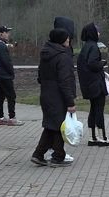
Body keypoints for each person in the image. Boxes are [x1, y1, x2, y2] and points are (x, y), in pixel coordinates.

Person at [31, 28, 77, 167]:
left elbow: (40, 77)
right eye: (67, 38)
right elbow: (65, 81)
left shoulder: (46, 54)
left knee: (51, 125)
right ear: (61, 40)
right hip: (58, 96)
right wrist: (70, 101)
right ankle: (58, 156)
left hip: (46, 93)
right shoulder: (63, 56)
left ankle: (39, 154)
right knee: (59, 126)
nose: (68, 40)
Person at [76, 23, 109, 145]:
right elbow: (93, 64)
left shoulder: (85, 47)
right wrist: (102, 63)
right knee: (99, 109)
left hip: (88, 85)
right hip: (96, 84)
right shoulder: (93, 47)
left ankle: (93, 136)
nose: (99, 33)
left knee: (93, 109)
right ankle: (102, 137)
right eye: (97, 31)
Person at [0, 26, 24, 125]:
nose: (8, 34)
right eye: (6, 32)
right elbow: (6, 61)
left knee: (0, 96)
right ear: (1, 34)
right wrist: (11, 72)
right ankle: (12, 118)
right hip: (4, 75)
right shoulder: (1, 46)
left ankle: (1, 117)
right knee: (11, 96)